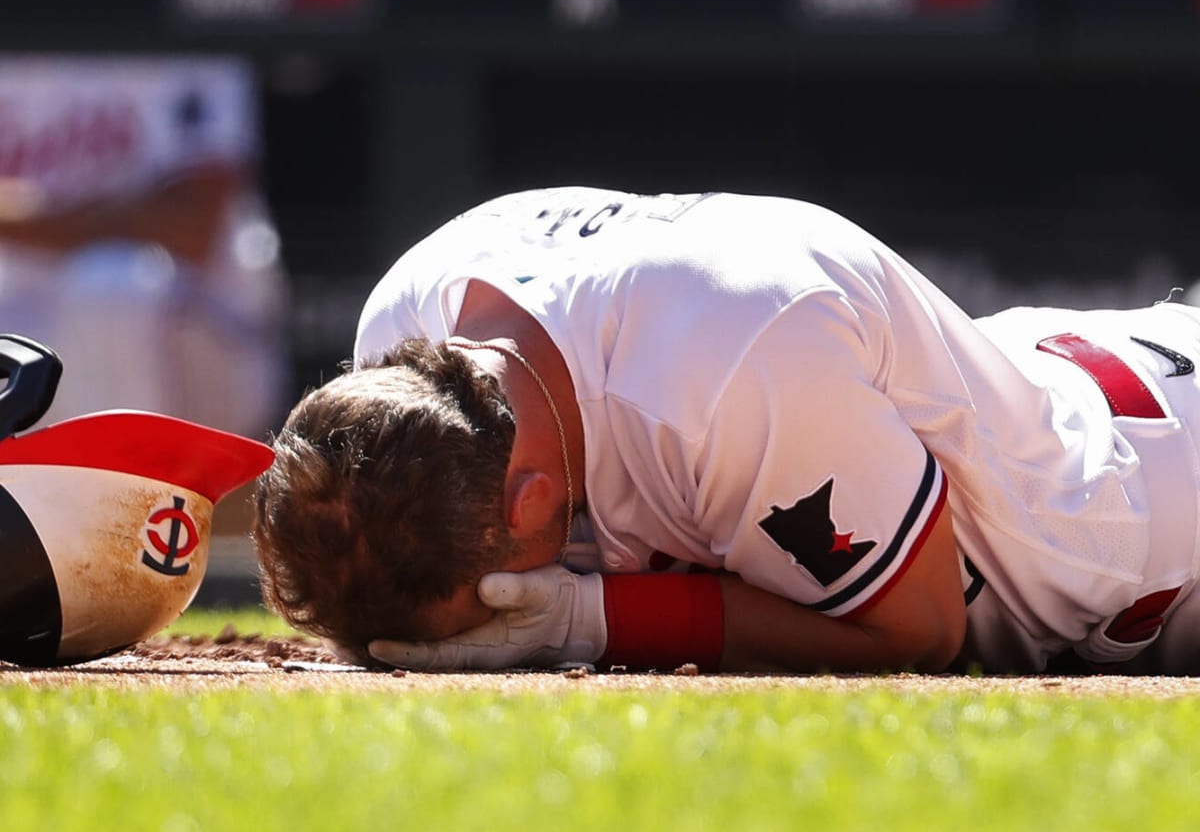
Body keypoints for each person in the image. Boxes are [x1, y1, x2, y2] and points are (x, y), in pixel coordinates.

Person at [252, 186, 1200, 675]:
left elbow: (918, 632)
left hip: (1138, 540)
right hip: (1059, 382)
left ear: (532, 501)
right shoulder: (401, 323)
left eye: (492, 597)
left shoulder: (729, 382)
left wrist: (589, 621)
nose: (512, 607)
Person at [0, 0, 290, 441]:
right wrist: (112, 214)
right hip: (21, 324)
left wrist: (23, 216)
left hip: (199, 343)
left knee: (112, 288)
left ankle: (122, 544)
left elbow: (191, 224)